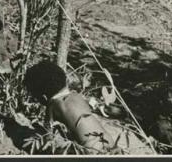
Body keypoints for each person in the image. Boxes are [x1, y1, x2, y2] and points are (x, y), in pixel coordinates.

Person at [23, 61, 154, 155]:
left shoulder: (53, 105)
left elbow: (48, 138)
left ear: (44, 97)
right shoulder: (77, 96)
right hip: (111, 144)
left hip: (90, 152)